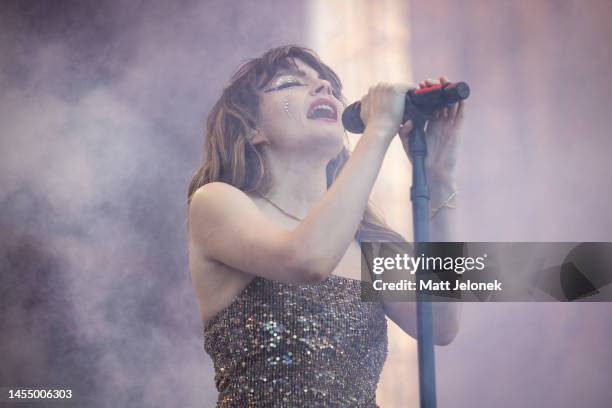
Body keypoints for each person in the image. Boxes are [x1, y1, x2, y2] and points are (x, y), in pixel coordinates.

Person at [186, 45, 464, 407]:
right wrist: (379, 129)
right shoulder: (216, 202)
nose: (323, 88)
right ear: (253, 127)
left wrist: (439, 176)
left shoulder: (364, 240)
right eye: (291, 83)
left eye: (328, 85)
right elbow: (307, 260)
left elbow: (440, 323)